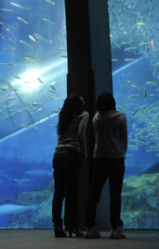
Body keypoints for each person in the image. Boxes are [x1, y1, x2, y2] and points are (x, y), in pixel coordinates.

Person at [85, 91, 128, 240]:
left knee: (94, 193)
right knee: (115, 194)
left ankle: (90, 226)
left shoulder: (96, 118)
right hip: (116, 159)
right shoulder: (121, 118)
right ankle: (115, 228)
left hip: (100, 159)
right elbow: (124, 138)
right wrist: (121, 152)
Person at [52, 93, 89, 238]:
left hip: (58, 154)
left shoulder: (63, 117)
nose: (84, 104)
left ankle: (57, 226)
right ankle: (73, 226)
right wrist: (84, 153)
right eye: (82, 101)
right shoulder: (83, 115)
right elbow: (80, 135)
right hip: (71, 154)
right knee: (72, 192)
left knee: (59, 192)